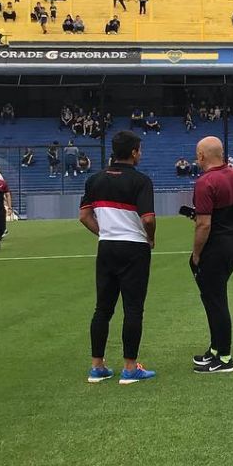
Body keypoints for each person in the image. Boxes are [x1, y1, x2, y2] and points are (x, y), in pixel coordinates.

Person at [78, 131, 157, 384]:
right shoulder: (141, 181)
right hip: (134, 248)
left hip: (106, 247)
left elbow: (84, 216)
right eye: (139, 150)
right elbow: (148, 219)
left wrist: (104, 232)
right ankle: (130, 368)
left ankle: (97, 366)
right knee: (133, 308)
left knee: (102, 308)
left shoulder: (95, 179)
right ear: (134, 152)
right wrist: (150, 238)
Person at [190, 137, 233, 374]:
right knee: (213, 297)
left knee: (216, 300)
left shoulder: (205, 182)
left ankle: (224, 357)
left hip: (215, 246)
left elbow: (203, 224)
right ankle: (215, 349)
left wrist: (196, 254)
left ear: (202, 156)